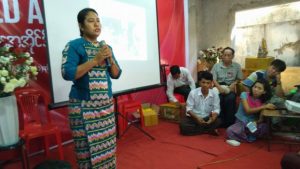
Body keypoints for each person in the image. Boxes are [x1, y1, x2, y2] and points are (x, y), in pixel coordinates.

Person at [61, 8, 122, 169]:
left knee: (107, 149)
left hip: (105, 108)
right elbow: (67, 73)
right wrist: (95, 60)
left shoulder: (105, 47)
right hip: (83, 108)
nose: (96, 24)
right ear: (81, 26)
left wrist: (109, 58)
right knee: (86, 153)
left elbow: (116, 74)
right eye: (90, 20)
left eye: (98, 20)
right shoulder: (74, 46)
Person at [226, 79, 275, 144]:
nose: (256, 89)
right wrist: (264, 107)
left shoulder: (263, 102)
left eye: (259, 88)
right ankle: (249, 136)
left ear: (264, 92)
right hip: (241, 121)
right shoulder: (244, 95)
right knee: (230, 131)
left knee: (264, 127)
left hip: (252, 122)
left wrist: (256, 122)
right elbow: (248, 111)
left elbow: (260, 119)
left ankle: (248, 133)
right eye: (255, 87)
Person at [179, 71, 221, 136]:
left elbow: (216, 109)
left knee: (218, 121)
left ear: (211, 84)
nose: (205, 85)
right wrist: (197, 118)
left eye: (208, 83)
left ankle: (200, 130)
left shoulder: (215, 94)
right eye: (203, 82)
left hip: (207, 118)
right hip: (194, 117)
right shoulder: (193, 93)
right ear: (199, 83)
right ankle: (207, 131)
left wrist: (212, 119)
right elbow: (188, 109)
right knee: (183, 126)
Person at [211, 47, 243, 128]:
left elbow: (240, 78)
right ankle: (219, 121)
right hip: (218, 87)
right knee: (218, 99)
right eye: (225, 55)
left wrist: (234, 83)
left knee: (230, 99)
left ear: (232, 56)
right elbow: (213, 79)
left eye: (229, 55)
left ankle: (229, 123)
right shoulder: (216, 66)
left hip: (230, 87)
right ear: (222, 56)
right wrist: (218, 87)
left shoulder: (237, 66)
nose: (226, 57)